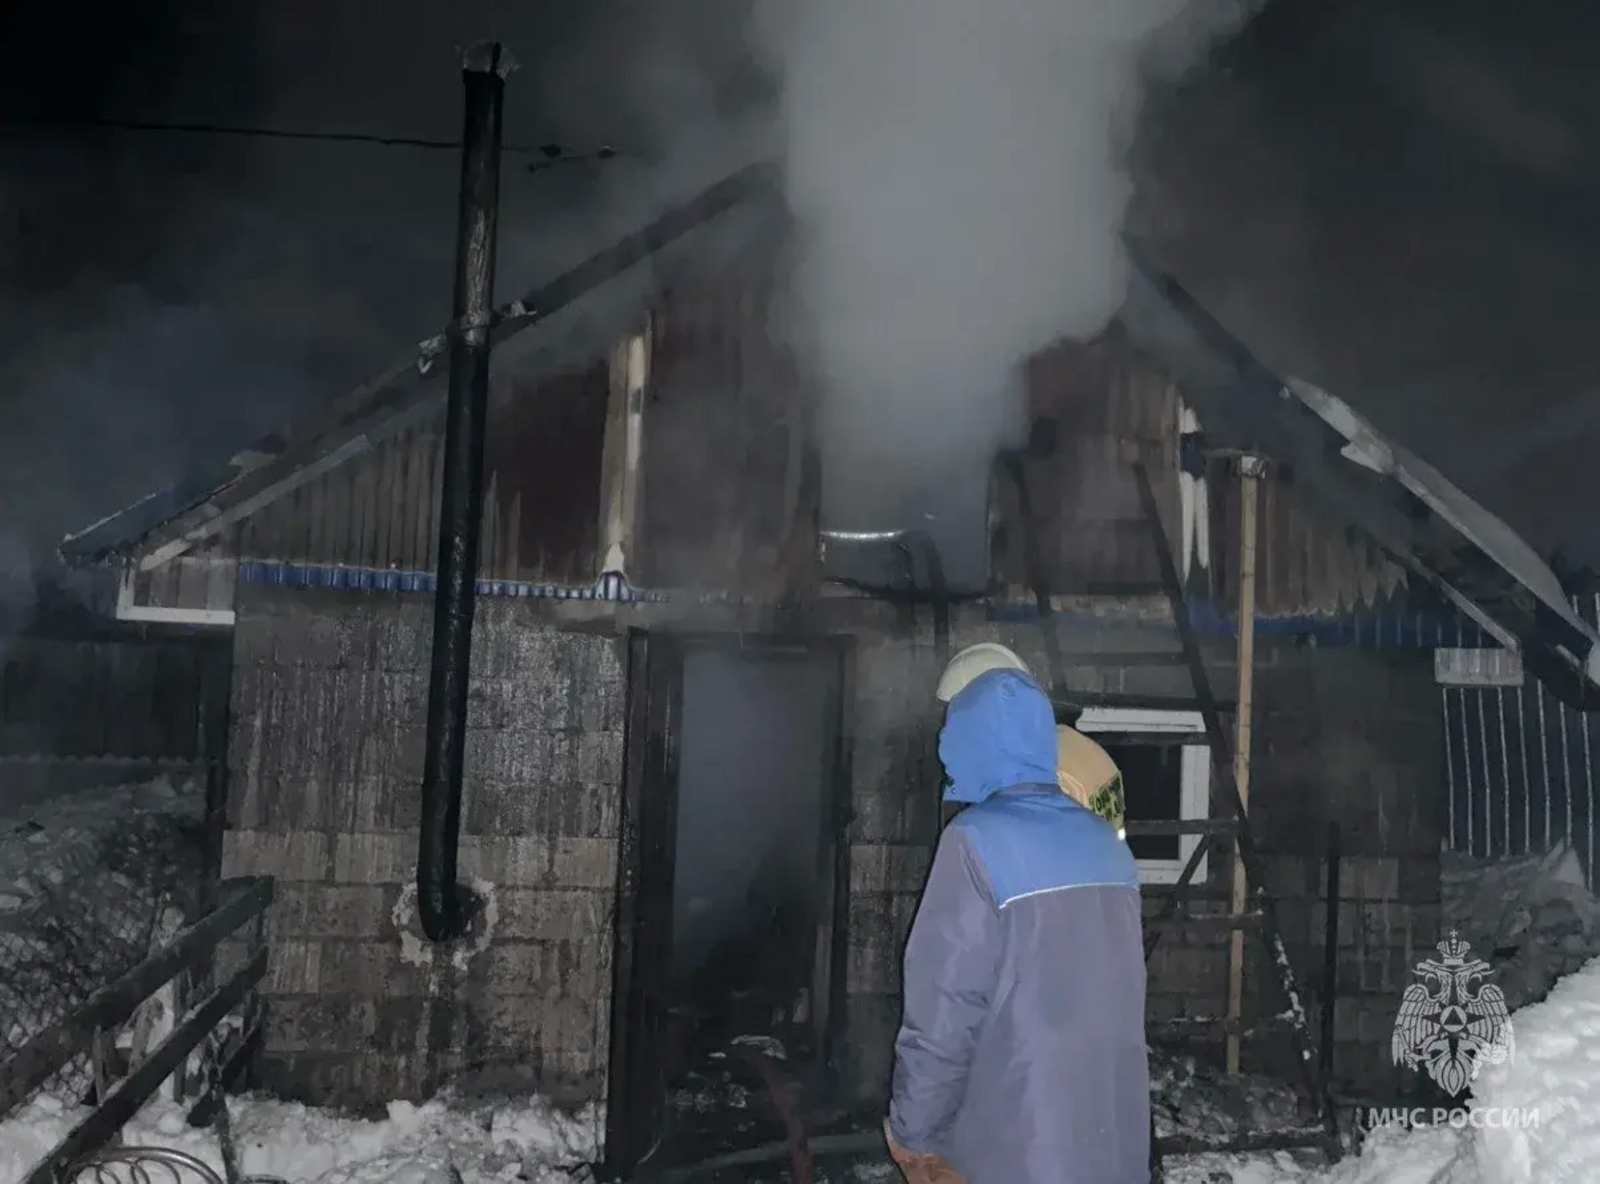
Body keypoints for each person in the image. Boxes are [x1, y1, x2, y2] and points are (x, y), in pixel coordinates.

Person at [883, 658, 1149, 1183]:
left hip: (1016, 1149)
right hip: (1112, 1143)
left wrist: (913, 1134)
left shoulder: (973, 842)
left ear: (966, 744)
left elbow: (945, 1012)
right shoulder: (1109, 846)